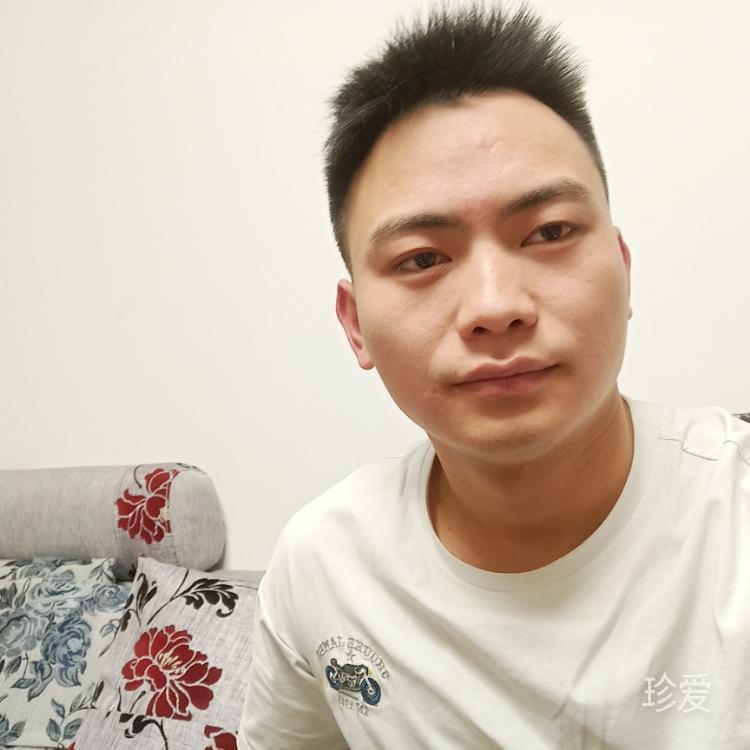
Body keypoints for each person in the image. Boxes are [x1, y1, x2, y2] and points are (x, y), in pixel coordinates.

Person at [238, 4, 750, 748]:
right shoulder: (325, 567)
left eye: (549, 233)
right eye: (422, 258)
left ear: (623, 270)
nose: (495, 307)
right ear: (355, 325)